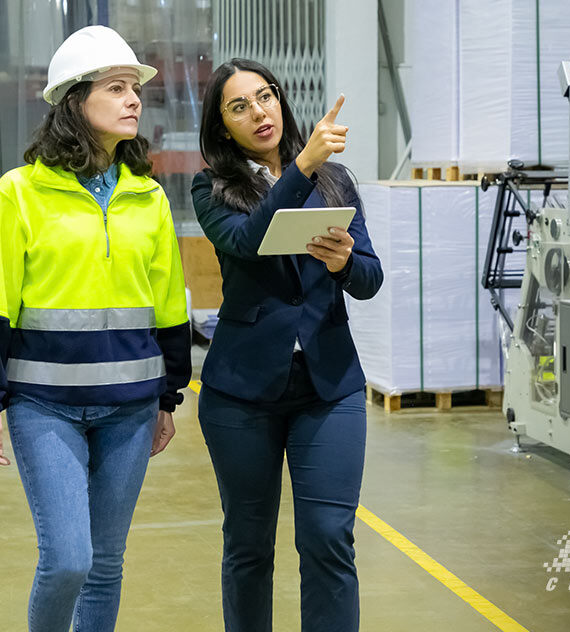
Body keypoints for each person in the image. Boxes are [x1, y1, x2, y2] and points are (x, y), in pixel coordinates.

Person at [0, 25, 190, 632]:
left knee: (106, 564)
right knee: (68, 560)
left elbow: (167, 306)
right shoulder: (21, 193)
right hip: (44, 405)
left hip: (131, 409)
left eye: (135, 88)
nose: (134, 99)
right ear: (74, 103)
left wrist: (169, 395)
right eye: (117, 88)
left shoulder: (149, 199)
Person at [190, 58, 384, 632]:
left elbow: (370, 280)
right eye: (239, 106)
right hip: (241, 395)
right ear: (224, 126)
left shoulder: (336, 180)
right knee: (249, 546)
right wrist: (301, 165)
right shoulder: (213, 188)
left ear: (280, 100)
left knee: (328, 539)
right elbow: (249, 242)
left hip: (328, 388)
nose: (259, 111)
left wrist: (347, 261)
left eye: (265, 96)